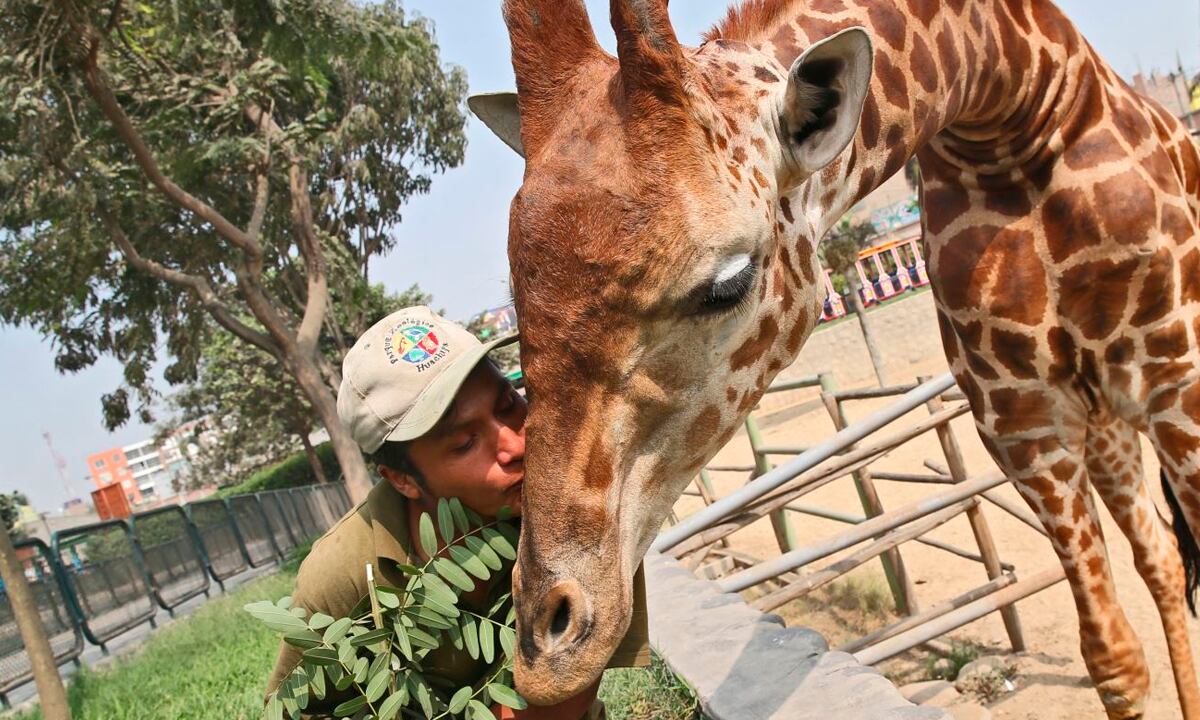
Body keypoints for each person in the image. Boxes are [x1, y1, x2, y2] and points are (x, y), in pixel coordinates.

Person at [264, 306, 649, 718]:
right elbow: (295, 710)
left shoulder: (579, 502)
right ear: (402, 480)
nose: (515, 446)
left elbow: (562, 692)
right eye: (465, 443)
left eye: (507, 405)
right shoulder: (345, 576)